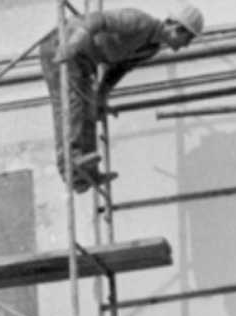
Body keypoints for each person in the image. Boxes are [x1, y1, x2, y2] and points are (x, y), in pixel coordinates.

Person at [39, 5, 204, 192]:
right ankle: (70, 161)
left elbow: (118, 69)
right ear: (177, 28)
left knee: (90, 108)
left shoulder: (151, 48)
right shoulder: (139, 21)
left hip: (84, 61)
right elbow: (97, 20)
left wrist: (101, 97)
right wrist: (74, 43)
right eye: (188, 38)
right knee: (73, 103)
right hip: (61, 45)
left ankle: (84, 175)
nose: (186, 45)